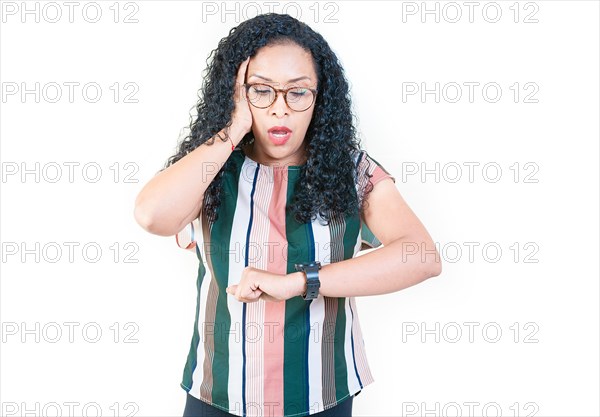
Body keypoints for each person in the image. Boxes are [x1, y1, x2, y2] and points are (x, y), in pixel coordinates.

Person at [134, 13, 442, 417]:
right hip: (218, 394)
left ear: (320, 97)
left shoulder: (351, 171)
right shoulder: (212, 168)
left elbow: (421, 256)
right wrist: (233, 128)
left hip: (321, 395)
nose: (280, 109)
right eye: (261, 91)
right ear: (235, 93)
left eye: (298, 93)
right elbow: (151, 215)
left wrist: (299, 282)